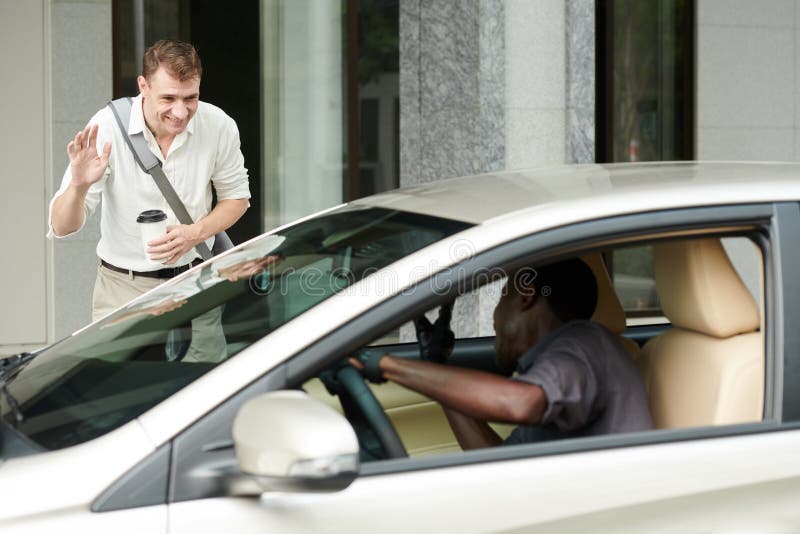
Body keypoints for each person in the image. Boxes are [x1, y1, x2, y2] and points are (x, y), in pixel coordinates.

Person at [48, 39, 250, 361]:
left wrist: (194, 234)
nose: (180, 111)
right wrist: (78, 185)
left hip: (196, 280)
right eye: (168, 98)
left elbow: (237, 199)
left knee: (203, 393)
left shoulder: (218, 125)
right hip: (122, 289)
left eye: (191, 98)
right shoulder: (107, 126)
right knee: (120, 396)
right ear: (143, 85)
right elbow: (62, 226)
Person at [356, 258, 654, 450]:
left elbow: (522, 403)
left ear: (525, 297)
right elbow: (495, 459)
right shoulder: (560, 357)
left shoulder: (582, 345)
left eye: (502, 297)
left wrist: (385, 365)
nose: (495, 317)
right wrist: (436, 367)